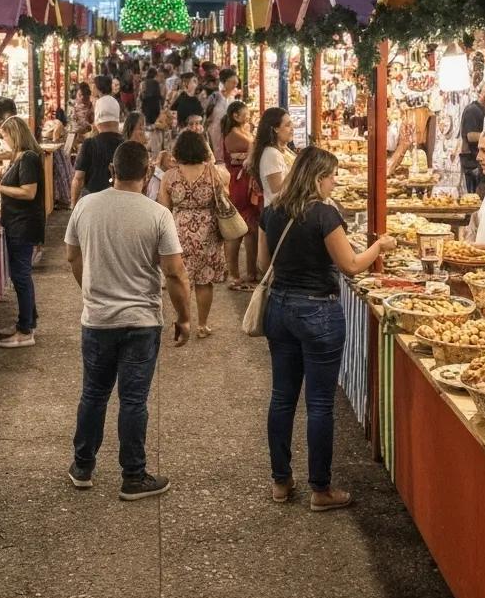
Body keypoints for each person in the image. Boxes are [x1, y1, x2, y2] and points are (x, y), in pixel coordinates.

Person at [258, 147, 397, 509]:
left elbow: (261, 263)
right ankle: (320, 489)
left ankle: (280, 481)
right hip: (318, 310)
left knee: (282, 397)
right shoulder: (324, 214)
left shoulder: (272, 211)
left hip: (279, 308)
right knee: (320, 403)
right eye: (332, 176)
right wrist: (379, 246)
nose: (335, 182)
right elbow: (351, 265)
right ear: (318, 178)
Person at [65, 141, 191, 500]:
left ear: (111, 170)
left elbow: (73, 257)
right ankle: (133, 476)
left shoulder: (86, 206)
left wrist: (91, 289)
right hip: (141, 319)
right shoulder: (157, 214)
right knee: (134, 400)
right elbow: (175, 272)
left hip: (98, 318)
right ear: (148, 173)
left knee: (93, 393)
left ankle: (83, 465)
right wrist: (184, 317)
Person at [158, 130, 229, 339]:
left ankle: (184, 320)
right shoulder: (212, 173)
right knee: (204, 280)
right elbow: (225, 197)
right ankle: (203, 325)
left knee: (181, 278)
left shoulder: (169, 176)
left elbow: (164, 207)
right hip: (208, 230)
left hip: (179, 231)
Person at [0, 117, 45, 349]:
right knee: (21, 275)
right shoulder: (20, 157)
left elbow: (28, 192)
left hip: (24, 224)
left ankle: (25, 331)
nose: (4, 141)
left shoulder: (28, 157)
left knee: (21, 275)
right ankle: (27, 321)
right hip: (17, 222)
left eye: (5, 136)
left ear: (15, 134)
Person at [222, 100, 258, 290]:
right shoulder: (233, 135)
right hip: (240, 184)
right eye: (245, 113)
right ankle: (234, 273)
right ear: (236, 116)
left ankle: (251, 272)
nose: (249, 116)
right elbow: (244, 157)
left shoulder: (241, 132)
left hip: (246, 183)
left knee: (250, 228)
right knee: (238, 229)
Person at [71, 97, 124, 207]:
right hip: (120, 205)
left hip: (92, 204)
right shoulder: (126, 145)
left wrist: (73, 206)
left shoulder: (90, 144)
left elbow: (78, 178)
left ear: (97, 118)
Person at [247, 107, 295, 208]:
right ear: (276, 128)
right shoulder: (271, 154)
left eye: (291, 124)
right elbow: (277, 189)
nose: (292, 129)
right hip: (280, 210)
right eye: (287, 125)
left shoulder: (284, 149)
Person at [460, 81, 485, 194]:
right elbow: (471, 136)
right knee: (475, 196)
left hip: (475, 160)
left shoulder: (480, 110)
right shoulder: (473, 110)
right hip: (472, 162)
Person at [206, 67, 238, 161]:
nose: (234, 85)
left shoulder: (233, 99)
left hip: (229, 133)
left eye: (236, 83)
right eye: (232, 82)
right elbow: (206, 114)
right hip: (214, 132)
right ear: (224, 82)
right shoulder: (215, 97)